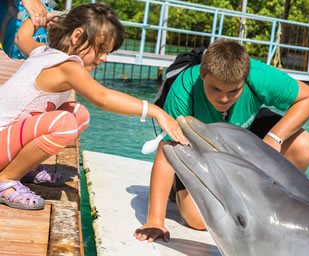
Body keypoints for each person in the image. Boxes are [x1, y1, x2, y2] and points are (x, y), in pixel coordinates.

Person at [0, 3, 188, 210]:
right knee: (64, 123)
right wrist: (156, 111)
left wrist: (37, 20)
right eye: (101, 49)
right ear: (77, 36)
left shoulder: (43, 52)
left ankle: (24, 167)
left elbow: (20, 38)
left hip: (6, 142)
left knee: (78, 113)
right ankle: (6, 179)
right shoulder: (68, 67)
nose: (104, 58)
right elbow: (102, 97)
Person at [134, 39, 309, 242]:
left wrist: (274, 138)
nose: (224, 99)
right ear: (202, 74)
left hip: (241, 132)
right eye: (215, 89)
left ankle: (269, 204)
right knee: (197, 220)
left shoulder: (258, 75)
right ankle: (176, 189)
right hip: (197, 148)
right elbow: (166, 153)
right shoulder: (183, 91)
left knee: (302, 145)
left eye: (233, 91)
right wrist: (155, 219)